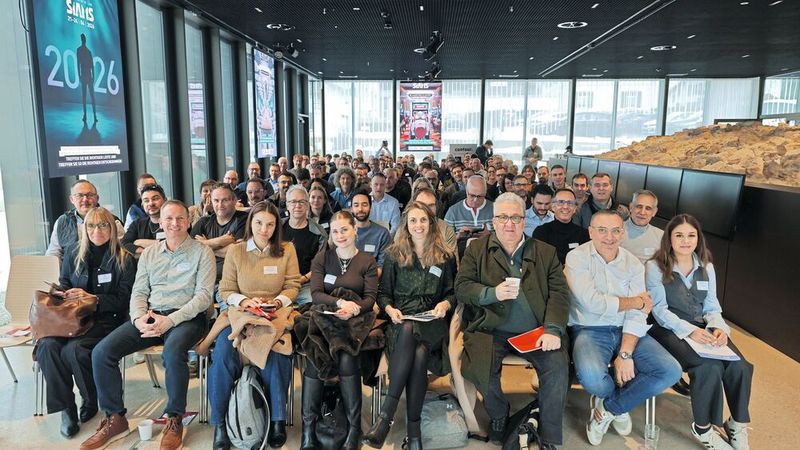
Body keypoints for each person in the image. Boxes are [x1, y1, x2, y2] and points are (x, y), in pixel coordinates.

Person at [81, 200, 215, 450]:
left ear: (188, 221)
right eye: (169, 219)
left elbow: (204, 297)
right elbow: (139, 291)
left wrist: (170, 321)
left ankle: (174, 418)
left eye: (180, 219)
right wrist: (138, 318)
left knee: (173, 352)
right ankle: (115, 418)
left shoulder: (201, 252)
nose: (174, 224)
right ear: (160, 223)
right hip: (151, 317)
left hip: (186, 318)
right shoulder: (150, 254)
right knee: (102, 352)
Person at [454, 192, 571, 449]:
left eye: (516, 217)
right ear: (493, 221)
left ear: (524, 220)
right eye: (503, 217)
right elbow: (461, 287)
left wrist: (552, 329)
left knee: (558, 366)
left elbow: (560, 294)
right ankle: (499, 414)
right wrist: (490, 293)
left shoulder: (545, 252)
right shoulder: (476, 249)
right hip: (491, 329)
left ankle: (549, 435)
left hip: (536, 331)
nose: (509, 224)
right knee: (481, 367)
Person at [565, 210, 682, 447]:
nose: (610, 237)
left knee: (670, 371)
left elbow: (638, 313)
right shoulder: (576, 257)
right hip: (588, 329)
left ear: (623, 232)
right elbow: (593, 303)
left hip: (627, 330)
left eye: (616, 230)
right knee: (593, 380)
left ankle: (609, 408)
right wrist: (635, 301)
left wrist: (625, 354)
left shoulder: (633, 264)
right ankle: (619, 400)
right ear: (590, 232)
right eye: (602, 230)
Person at [646, 214, 753, 450]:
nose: (686, 241)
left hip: (703, 327)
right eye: (679, 235)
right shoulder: (654, 267)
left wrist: (719, 328)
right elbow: (660, 311)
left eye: (691, 235)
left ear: (698, 238)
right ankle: (703, 428)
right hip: (668, 328)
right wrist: (690, 331)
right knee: (708, 366)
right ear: (669, 239)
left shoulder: (706, 267)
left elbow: (712, 306)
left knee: (740, 366)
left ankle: (736, 423)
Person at [363, 202, 457, 449]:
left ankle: (386, 416)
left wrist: (445, 305)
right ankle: (414, 434)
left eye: (423, 220)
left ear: (431, 223)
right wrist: (390, 309)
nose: (418, 225)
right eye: (413, 220)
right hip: (401, 320)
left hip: (432, 321)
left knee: (417, 338)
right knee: (418, 350)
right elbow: (384, 295)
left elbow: (452, 292)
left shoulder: (445, 256)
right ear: (406, 225)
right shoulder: (395, 255)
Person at [208, 201, 301, 449]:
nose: (264, 229)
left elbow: (293, 285)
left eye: (270, 224)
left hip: (275, 312)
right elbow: (225, 290)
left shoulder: (286, 249)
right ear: (251, 223)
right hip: (241, 313)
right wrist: (246, 301)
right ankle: (219, 424)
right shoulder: (236, 252)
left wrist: (277, 302)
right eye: (259, 223)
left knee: (279, 352)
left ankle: (278, 419)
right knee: (223, 354)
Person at [38, 207, 136, 438]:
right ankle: (66, 408)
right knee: (47, 346)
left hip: (106, 320)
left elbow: (125, 300)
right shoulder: (73, 253)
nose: (97, 230)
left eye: (103, 225)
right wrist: (62, 293)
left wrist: (94, 300)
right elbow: (63, 281)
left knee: (75, 349)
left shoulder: (125, 259)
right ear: (84, 229)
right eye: (91, 226)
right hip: (72, 318)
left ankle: (90, 401)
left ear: (112, 229)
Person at [299, 211, 380, 450]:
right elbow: (315, 294)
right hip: (325, 316)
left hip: (355, 319)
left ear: (355, 230)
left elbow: (370, 298)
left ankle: (354, 430)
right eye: (335, 231)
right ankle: (308, 431)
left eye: (345, 229)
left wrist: (354, 309)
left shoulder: (367, 261)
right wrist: (339, 304)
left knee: (346, 356)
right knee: (316, 351)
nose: (340, 235)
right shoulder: (322, 259)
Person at [191, 183, 248, 302]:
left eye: (225, 200)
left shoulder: (244, 218)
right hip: (204, 281)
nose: (220, 205)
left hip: (234, 283)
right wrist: (220, 241)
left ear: (234, 200)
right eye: (216, 200)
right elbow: (190, 249)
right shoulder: (204, 222)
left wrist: (205, 245)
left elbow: (238, 252)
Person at [46, 180, 124, 262]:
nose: (85, 199)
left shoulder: (113, 221)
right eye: (79, 195)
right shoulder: (62, 222)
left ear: (97, 198)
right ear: (72, 199)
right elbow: (54, 253)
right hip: (70, 272)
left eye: (90, 195)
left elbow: (122, 251)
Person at [282, 185, 327, 305]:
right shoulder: (277, 227)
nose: (298, 205)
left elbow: (319, 266)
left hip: (305, 284)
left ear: (308, 205)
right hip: (277, 282)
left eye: (302, 201)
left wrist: (302, 280)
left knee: (313, 304)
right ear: (287, 205)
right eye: (293, 202)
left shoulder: (319, 233)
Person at [533, 189, 589, 265]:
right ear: (553, 207)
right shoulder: (541, 232)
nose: (565, 206)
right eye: (561, 202)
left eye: (570, 203)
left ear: (575, 208)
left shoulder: (584, 234)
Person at [444, 175, 493, 250]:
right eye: (472, 195)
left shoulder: (495, 209)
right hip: (462, 256)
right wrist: (458, 237)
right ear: (466, 192)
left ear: (485, 193)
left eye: (480, 196)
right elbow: (443, 243)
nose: (475, 200)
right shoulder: (453, 211)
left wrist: (490, 235)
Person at [352, 192, 392, 273]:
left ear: (371, 207)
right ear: (351, 209)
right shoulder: (345, 232)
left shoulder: (382, 233)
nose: (360, 209)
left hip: (372, 278)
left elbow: (382, 266)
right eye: (356, 205)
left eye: (364, 204)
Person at [621, 190, 664, 264]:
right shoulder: (615, 231)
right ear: (631, 207)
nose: (642, 212)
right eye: (639, 206)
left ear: (654, 212)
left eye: (648, 208)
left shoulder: (661, 236)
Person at [121, 184, 166, 255]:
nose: (151, 203)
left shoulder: (174, 222)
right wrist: (146, 253)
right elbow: (124, 244)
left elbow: (173, 244)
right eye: (146, 200)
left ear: (165, 200)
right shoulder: (137, 224)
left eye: (155, 199)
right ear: (142, 205)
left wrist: (139, 242)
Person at [413, 187, 457, 254]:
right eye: (422, 205)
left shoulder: (447, 230)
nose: (427, 210)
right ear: (414, 207)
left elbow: (452, 260)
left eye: (431, 205)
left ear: (436, 207)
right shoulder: (404, 228)